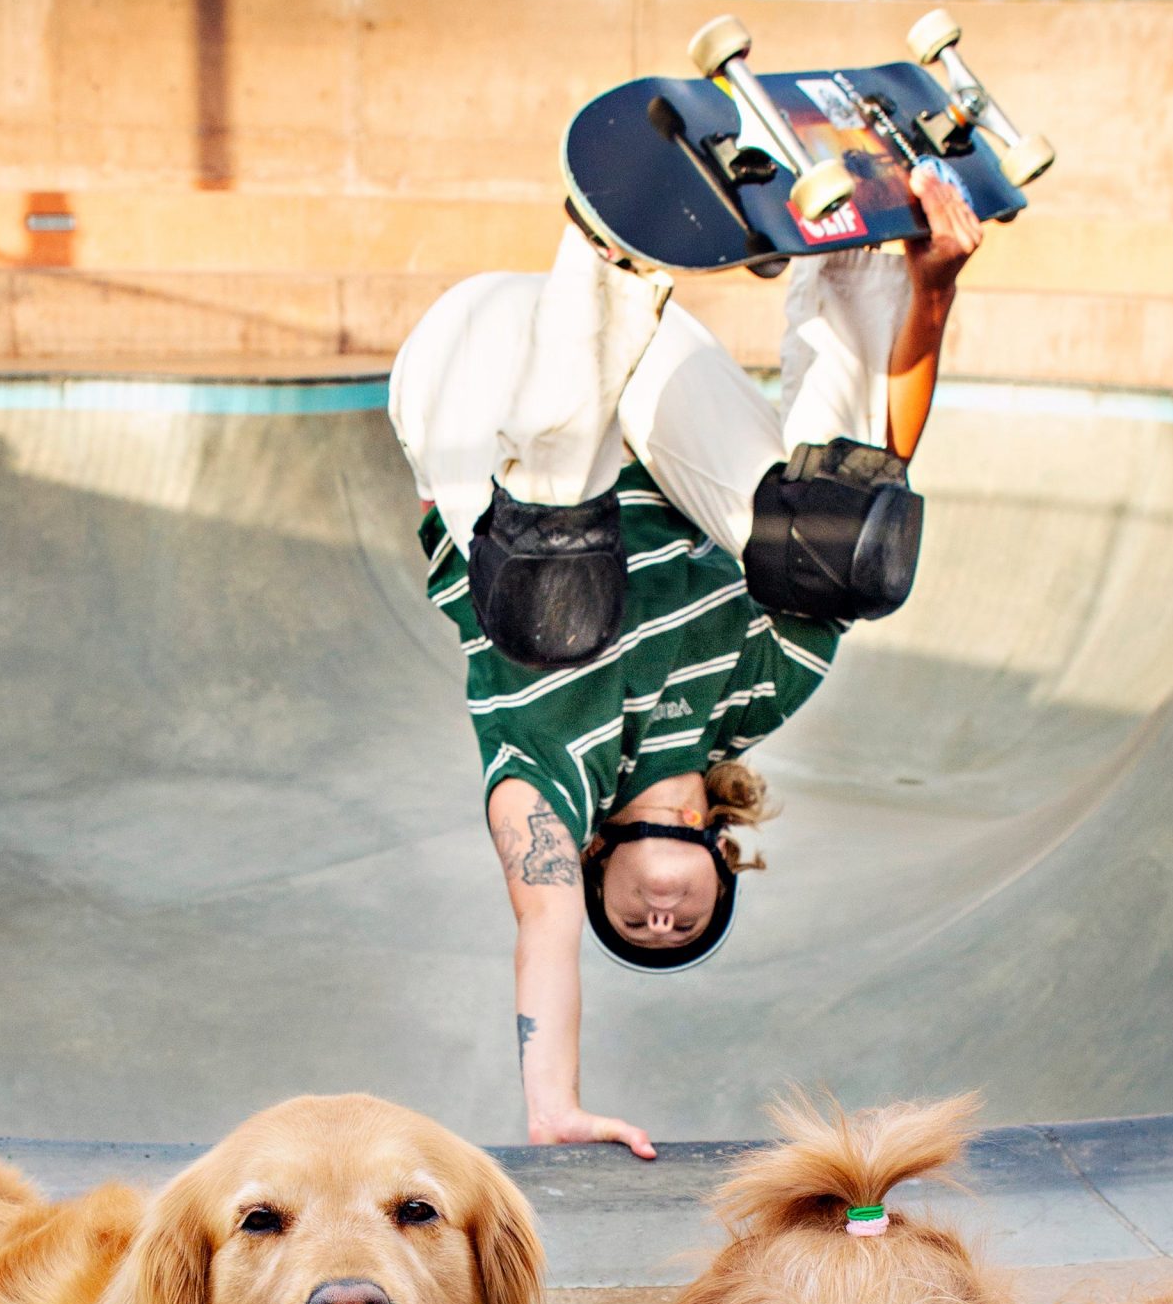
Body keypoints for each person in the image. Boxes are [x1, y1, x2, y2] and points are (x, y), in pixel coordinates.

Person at [390, 163, 984, 1159]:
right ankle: (852, 253)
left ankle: (599, 251)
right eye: (684, 931)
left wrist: (553, 1104)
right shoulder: (763, 685)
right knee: (839, 555)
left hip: (474, 371)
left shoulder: (548, 779)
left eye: (636, 932)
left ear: (593, 873)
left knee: (553, 615)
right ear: (719, 860)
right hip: (647, 378)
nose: (660, 923)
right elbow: (878, 482)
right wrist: (933, 291)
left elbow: (541, 933)